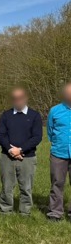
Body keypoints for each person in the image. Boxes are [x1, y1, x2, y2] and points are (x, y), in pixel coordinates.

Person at [0, 88, 42, 216]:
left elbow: (37, 137)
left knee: (26, 187)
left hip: (27, 157)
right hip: (7, 156)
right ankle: (6, 211)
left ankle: (25, 212)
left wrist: (20, 149)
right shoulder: (6, 115)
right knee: (7, 187)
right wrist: (11, 150)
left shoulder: (34, 115)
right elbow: (1, 135)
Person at [46, 83, 71, 221]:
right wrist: (57, 143)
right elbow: (50, 131)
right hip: (58, 152)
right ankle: (55, 213)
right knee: (57, 183)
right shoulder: (55, 111)